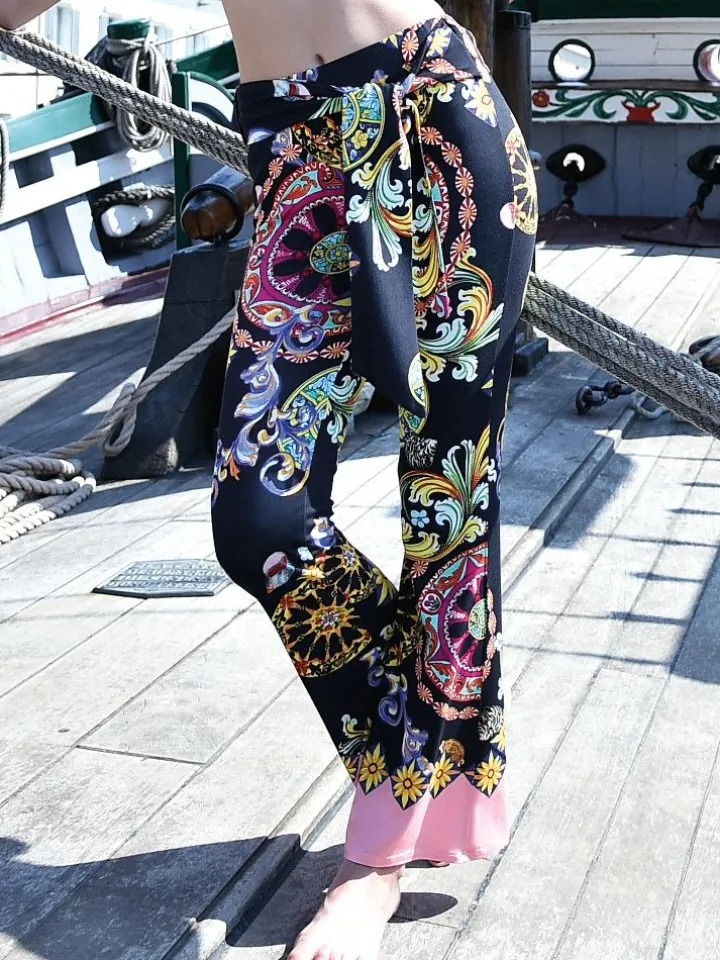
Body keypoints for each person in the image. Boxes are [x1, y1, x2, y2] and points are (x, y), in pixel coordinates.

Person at [0, 2, 537, 958]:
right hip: (293, 153)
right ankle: (434, 755)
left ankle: (377, 850)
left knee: (447, 503)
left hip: (435, 114)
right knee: (259, 518)